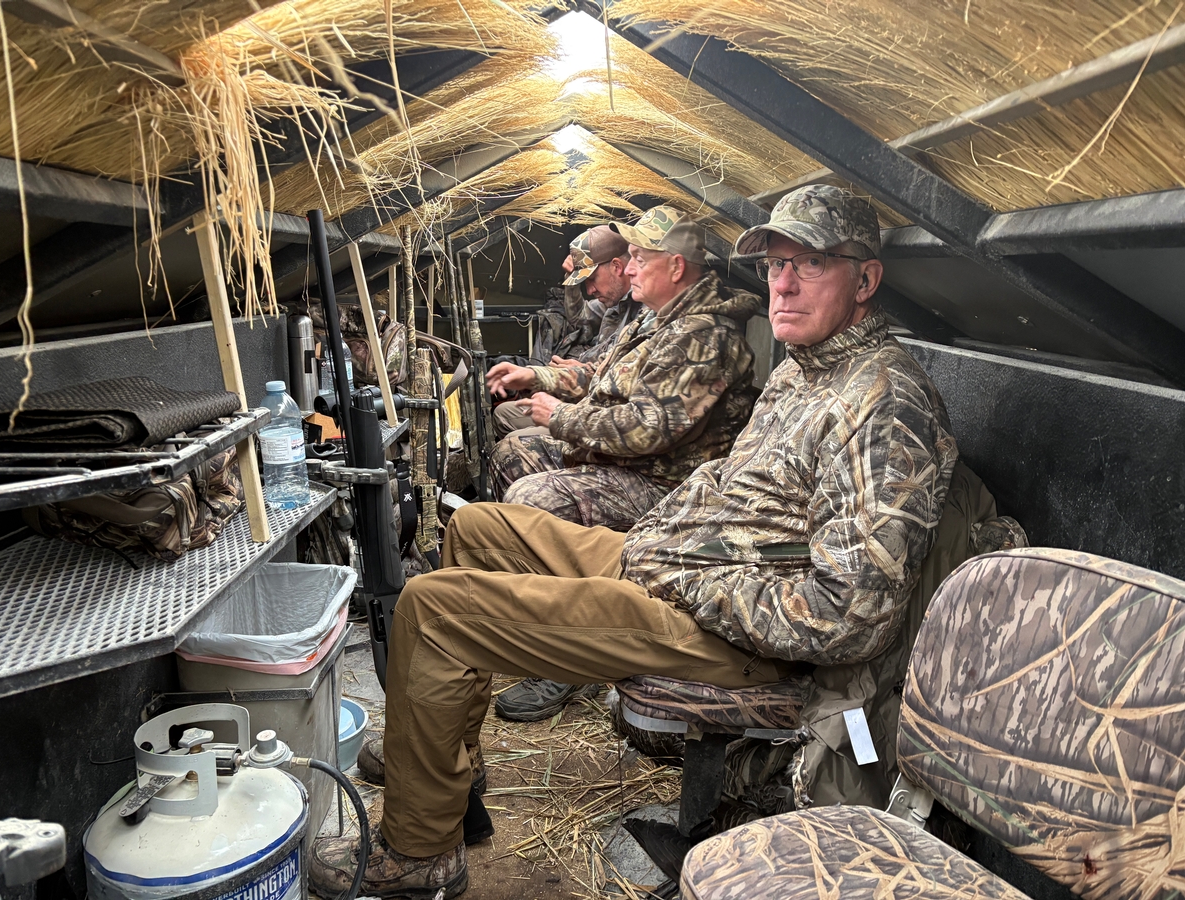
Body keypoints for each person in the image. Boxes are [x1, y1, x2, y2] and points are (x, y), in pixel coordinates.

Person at [308, 185, 959, 900]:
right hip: (677, 564)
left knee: (431, 611)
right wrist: (660, 542)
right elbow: (727, 487)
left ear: (865, 280)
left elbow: (848, 615)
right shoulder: (804, 371)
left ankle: (419, 849)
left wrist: (685, 578)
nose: (783, 284)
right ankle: (445, 773)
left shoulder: (884, 405)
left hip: (735, 634)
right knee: (477, 528)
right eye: (777, 264)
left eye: (810, 264)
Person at [485, 206, 760, 532]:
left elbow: (647, 428)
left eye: (639, 260)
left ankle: (585, 561)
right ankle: (548, 552)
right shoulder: (655, 317)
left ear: (676, 267)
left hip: (664, 483)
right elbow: (603, 374)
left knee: (528, 498)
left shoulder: (704, 337)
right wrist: (536, 376)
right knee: (510, 454)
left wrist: (560, 416)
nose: (628, 270)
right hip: (626, 460)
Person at [493, 226, 637, 437]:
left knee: (515, 440)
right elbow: (580, 319)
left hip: (605, 410)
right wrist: (572, 282)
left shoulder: (645, 311)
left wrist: (582, 371)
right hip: (588, 395)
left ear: (617, 267)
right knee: (503, 413)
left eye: (592, 279)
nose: (590, 290)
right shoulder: (614, 304)